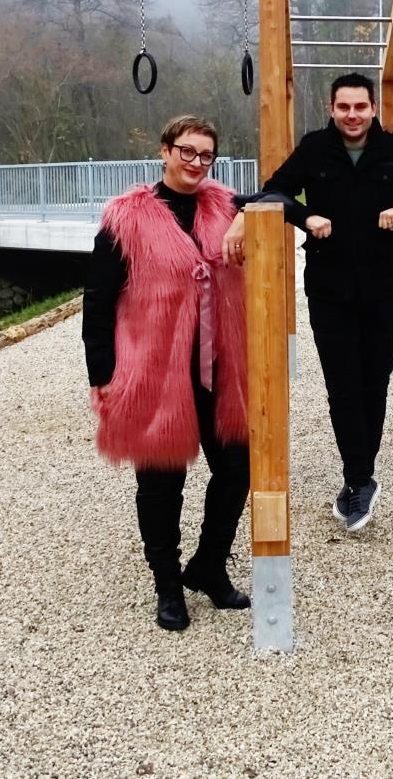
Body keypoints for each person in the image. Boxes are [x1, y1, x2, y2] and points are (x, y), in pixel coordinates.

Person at [224, 73, 393, 533]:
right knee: (342, 385)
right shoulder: (315, 148)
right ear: (331, 108)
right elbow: (275, 190)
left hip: (382, 284)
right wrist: (306, 217)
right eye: (344, 107)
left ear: (372, 109)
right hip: (329, 287)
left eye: (360, 107)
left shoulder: (392, 149)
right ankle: (359, 479)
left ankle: (360, 473)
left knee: (374, 383)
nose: (352, 115)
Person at [82, 115, 253, 631]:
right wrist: (103, 376)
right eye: (187, 151)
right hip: (155, 374)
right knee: (161, 484)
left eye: (206, 155)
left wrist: (248, 215)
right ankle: (168, 584)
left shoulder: (226, 206)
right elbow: (98, 301)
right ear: (165, 151)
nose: (196, 163)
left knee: (238, 469)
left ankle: (209, 564)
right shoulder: (126, 219)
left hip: (220, 370)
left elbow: (283, 197)